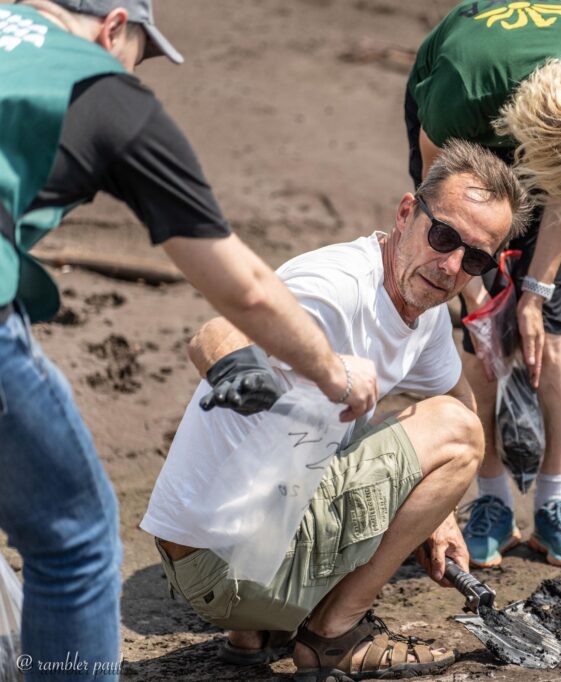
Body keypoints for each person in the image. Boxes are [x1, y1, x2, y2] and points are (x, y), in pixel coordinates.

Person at [0, 1, 360, 678]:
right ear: (112, 27)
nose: (135, 74)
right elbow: (243, 288)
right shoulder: (102, 90)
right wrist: (336, 373)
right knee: (72, 539)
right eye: (138, 53)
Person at [141, 141, 531, 681]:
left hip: (209, 561)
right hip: (226, 565)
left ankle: (255, 632)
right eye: (443, 236)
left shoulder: (427, 314)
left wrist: (437, 517)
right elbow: (214, 333)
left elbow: (456, 397)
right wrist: (241, 373)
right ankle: (334, 635)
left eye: (476, 258)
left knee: (402, 422)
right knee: (459, 436)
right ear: (405, 214)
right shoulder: (335, 287)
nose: (450, 266)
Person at [405, 0, 561, 568]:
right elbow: (437, 195)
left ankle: (554, 502)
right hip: (468, 126)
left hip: (554, 138)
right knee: (478, 330)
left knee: (548, 320)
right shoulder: (461, 90)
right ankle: (491, 501)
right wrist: (473, 294)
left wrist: (535, 293)